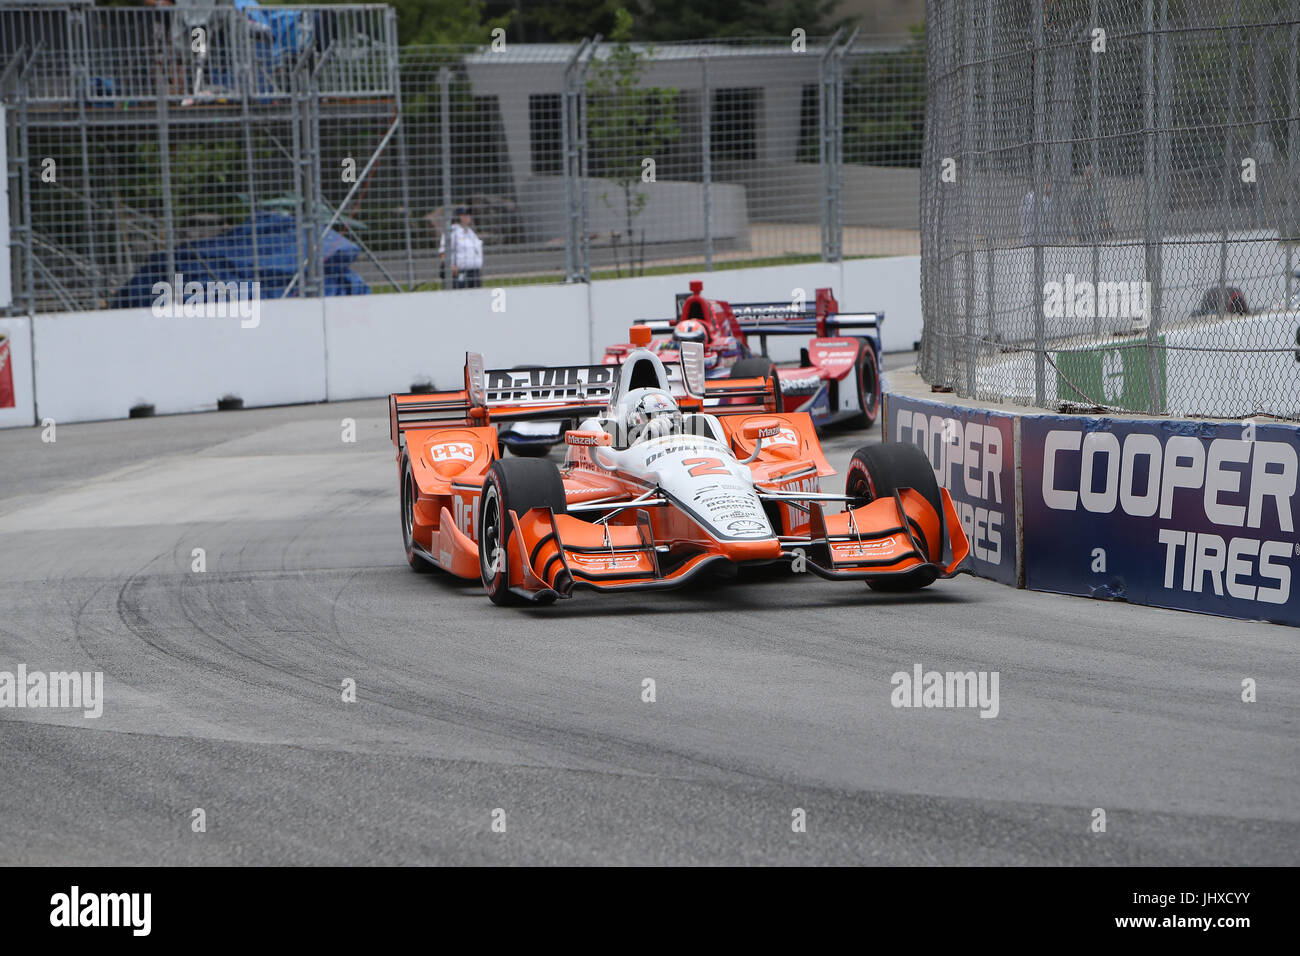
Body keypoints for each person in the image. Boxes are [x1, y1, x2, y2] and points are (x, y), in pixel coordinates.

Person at [438, 206, 483, 289]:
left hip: (474, 272)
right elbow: (443, 252)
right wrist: (450, 266)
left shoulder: (470, 232)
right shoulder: (452, 232)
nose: (467, 217)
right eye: (464, 215)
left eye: (468, 215)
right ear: (457, 217)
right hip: (460, 273)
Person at [1072, 163, 1113, 243]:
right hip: (1095, 238)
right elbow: (1104, 221)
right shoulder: (1099, 197)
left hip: (1083, 237)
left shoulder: (1079, 196)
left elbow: (1074, 220)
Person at [1019, 178, 1055, 244]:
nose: (1050, 187)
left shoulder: (1027, 197)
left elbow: (1021, 215)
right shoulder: (1044, 199)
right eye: (1049, 184)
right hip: (1042, 237)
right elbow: (1049, 217)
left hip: (1026, 236)